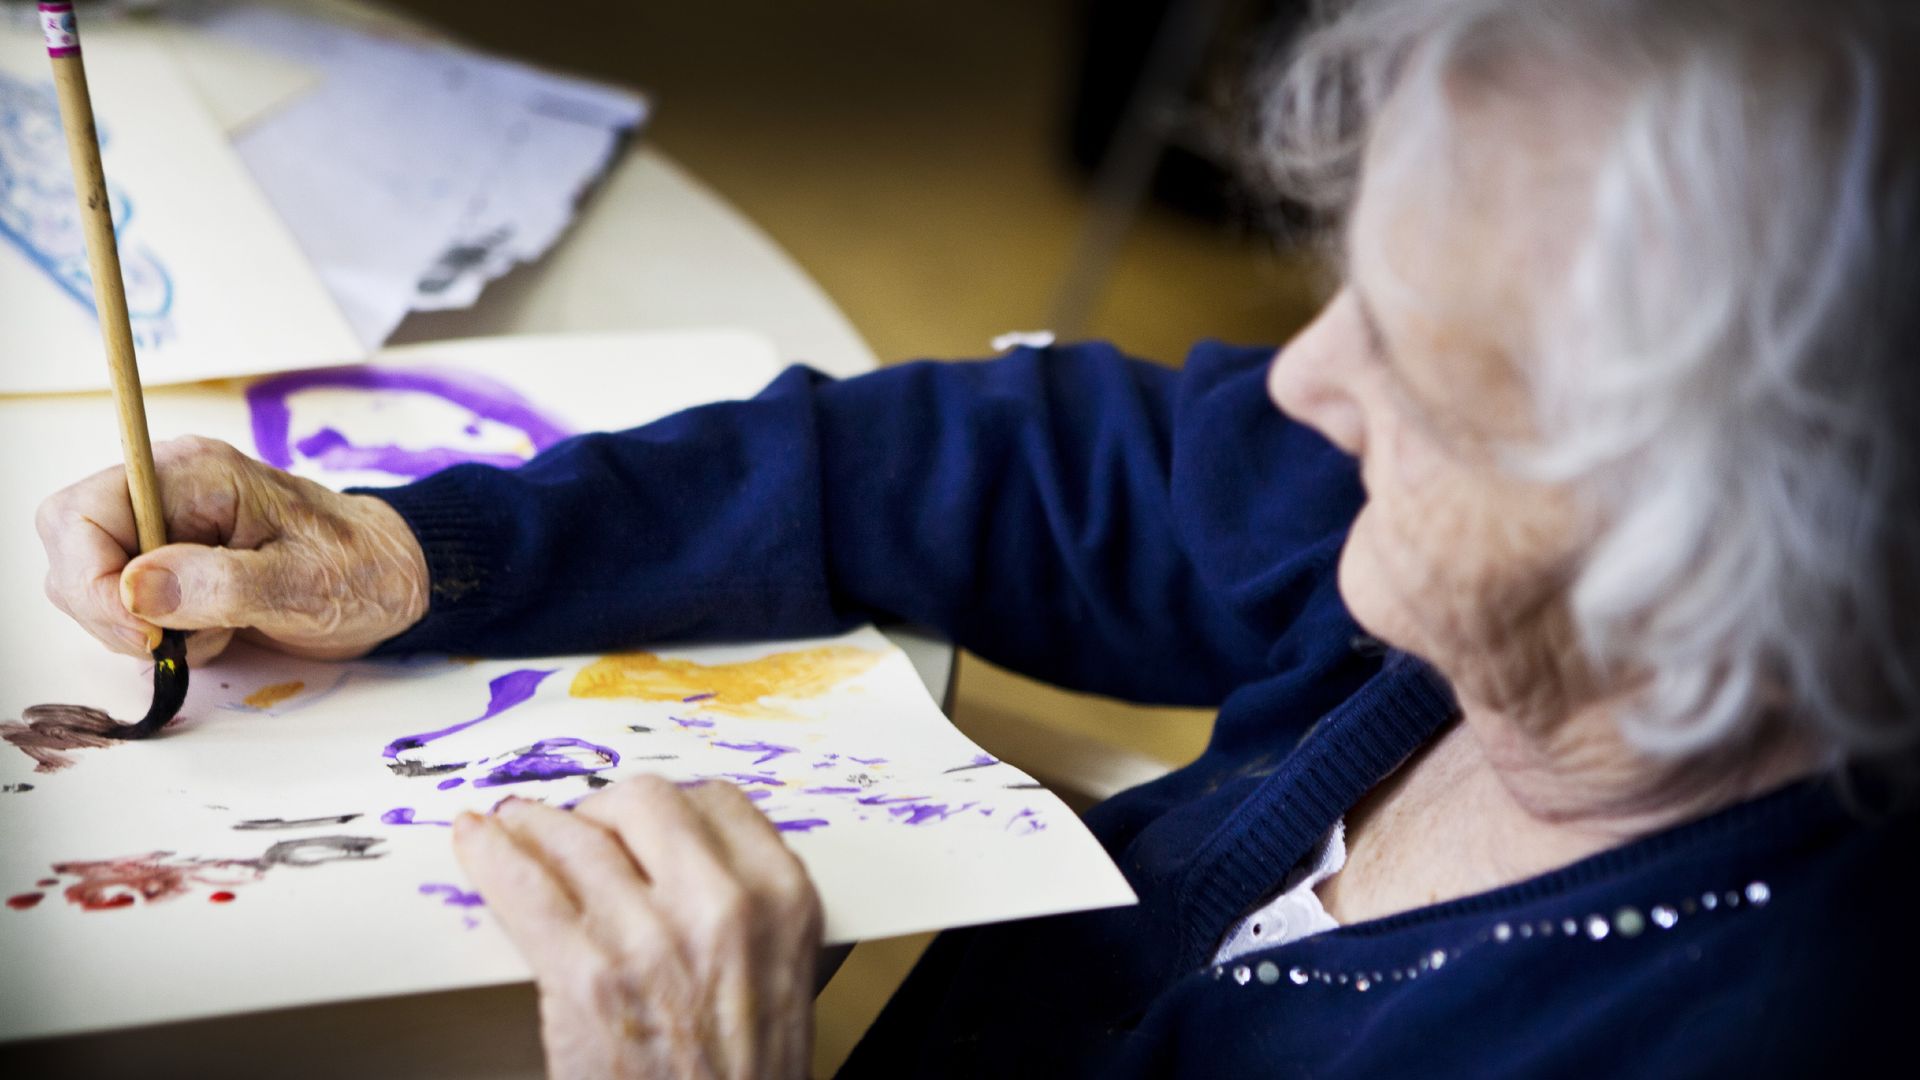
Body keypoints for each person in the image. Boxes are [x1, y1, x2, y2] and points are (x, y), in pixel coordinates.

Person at [34, 0, 1920, 1074]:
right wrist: (437, 555)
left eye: (1428, 378)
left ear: (1723, 544)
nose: (1305, 385)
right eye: (1347, 291)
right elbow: (1026, 464)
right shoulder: (1455, 570)